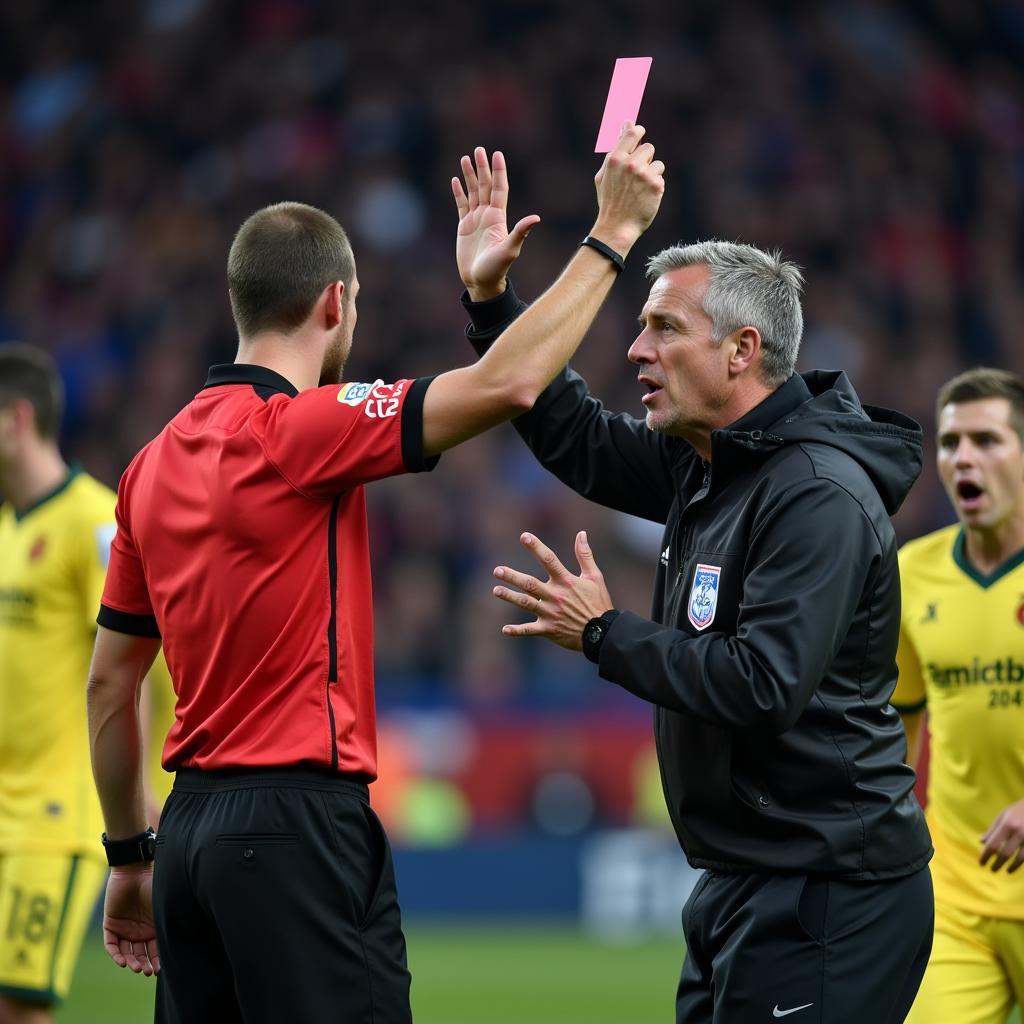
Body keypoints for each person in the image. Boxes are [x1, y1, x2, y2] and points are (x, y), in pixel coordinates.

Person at [85, 125, 665, 1024]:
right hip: (295, 829)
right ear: (333, 305)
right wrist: (612, 237)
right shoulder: (301, 429)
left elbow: (110, 687)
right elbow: (510, 385)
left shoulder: (147, 467)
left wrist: (130, 856)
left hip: (190, 831)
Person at [457, 223, 935, 1020]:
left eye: (664, 328)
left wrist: (607, 634)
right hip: (743, 880)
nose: (637, 351)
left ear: (743, 350)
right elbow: (571, 431)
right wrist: (491, 300)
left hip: (828, 894)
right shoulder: (710, 464)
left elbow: (763, 684)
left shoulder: (816, 494)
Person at [0, 344, 173, 1024]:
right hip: (6, 804)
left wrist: (151, 785)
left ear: (16, 419)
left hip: (54, 814)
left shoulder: (95, 522)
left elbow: (144, 663)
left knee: (18, 1006)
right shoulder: (10, 529)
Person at [893, 368, 1024, 1024]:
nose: (964, 458)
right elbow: (898, 720)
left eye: (987, 441)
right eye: (950, 443)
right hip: (957, 898)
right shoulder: (913, 572)